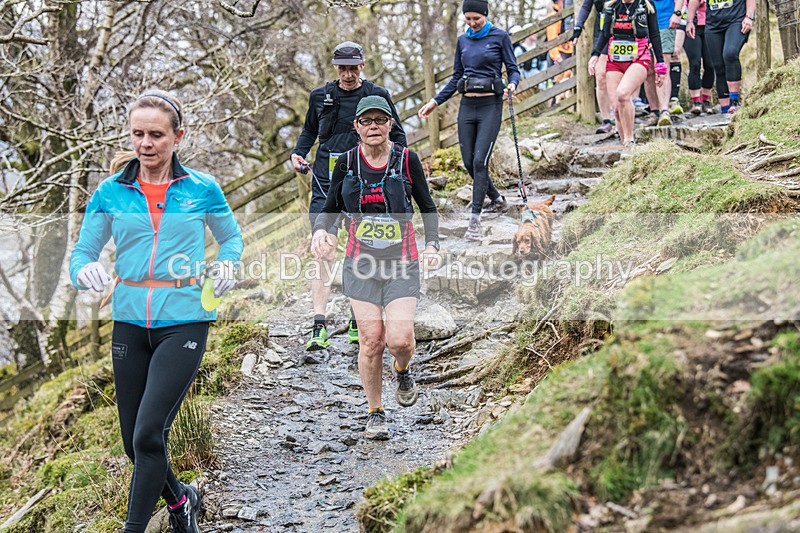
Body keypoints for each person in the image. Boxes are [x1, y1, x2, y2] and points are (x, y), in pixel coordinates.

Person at [69, 91, 244, 533]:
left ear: (177, 137)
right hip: (129, 320)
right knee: (134, 443)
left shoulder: (201, 188)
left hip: (185, 316)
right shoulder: (111, 191)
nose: (145, 143)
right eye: (138, 134)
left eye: (156, 135)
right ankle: (182, 499)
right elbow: (83, 252)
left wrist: (228, 263)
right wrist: (84, 268)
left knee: (149, 433)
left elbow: (232, 238)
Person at [311, 96, 440, 440]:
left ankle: (402, 370)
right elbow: (330, 206)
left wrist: (433, 244)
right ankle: (375, 412)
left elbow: (427, 205)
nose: (372, 126)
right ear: (356, 127)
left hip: (402, 262)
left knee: (399, 340)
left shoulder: (407, 159)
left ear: (390, 125)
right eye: (365, 121)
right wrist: (322, 231)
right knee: (371, 341)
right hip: (360, 263)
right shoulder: (347, 162)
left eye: (379, 120)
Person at [291, 41, 407, 351]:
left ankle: (361, 316)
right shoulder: (321, 97)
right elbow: (308, 133)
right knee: (323, 250)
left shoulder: (377, 96)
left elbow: (398, 137)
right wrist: (298, 153)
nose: (348, 74)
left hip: (365, 183)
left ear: (362, 65)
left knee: (365, 248)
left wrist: (395, 174)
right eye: (342, 68)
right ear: (335, 67)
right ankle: (319, 324)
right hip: (326, 182)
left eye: (353, 68)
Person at [418, 0, 520, 241]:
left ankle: (474, 222)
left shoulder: (500, 37)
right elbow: (456, 77)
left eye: (477, 19)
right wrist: (434, 102)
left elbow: (513, 69)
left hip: (490, 106)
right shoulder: (463, 40)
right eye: (468, 20)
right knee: (468, 162)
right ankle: (496, 199)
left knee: (479, 161)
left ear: (485, 15)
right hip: (467, 106)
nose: (472, 24)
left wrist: (513, 84)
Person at [591, 0, 667, 145]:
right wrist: (594, 55)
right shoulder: (611, 7)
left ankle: (629, 139)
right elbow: (604, 34)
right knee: (617, 108)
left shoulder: (646, 6)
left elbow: (655, 35)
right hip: (615, 61)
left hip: (639, 58)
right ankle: (625, 147)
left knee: (623, 93)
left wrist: (660, 63)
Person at [687, 0, 753, 113]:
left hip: (736, 20)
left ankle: (734, 101)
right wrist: (690, 21)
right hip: (713, 25)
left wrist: (749, 16)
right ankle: (725, 108)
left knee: (730, 53)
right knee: (718, 65)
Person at [572, 0, 616, 133]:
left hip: (623, 29)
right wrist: (578, 27)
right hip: (602, 31)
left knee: (620, 75)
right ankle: (606, 120)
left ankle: (621, 115)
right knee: (600, 75)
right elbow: (586, 6)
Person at [681, 0, 717, 114]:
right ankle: (696, 101)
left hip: (710, 23)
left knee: (710, 64)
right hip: (689, 23)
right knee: (695, 63)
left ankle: (706, 99)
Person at [547, 0, 576, 105]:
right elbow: (551, 39)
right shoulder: (554, 16)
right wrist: (556, 56)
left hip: (567, 51)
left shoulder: (567, 16)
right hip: (559, 54)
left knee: (567, 80)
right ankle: (556, 106)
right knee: (559, 84)